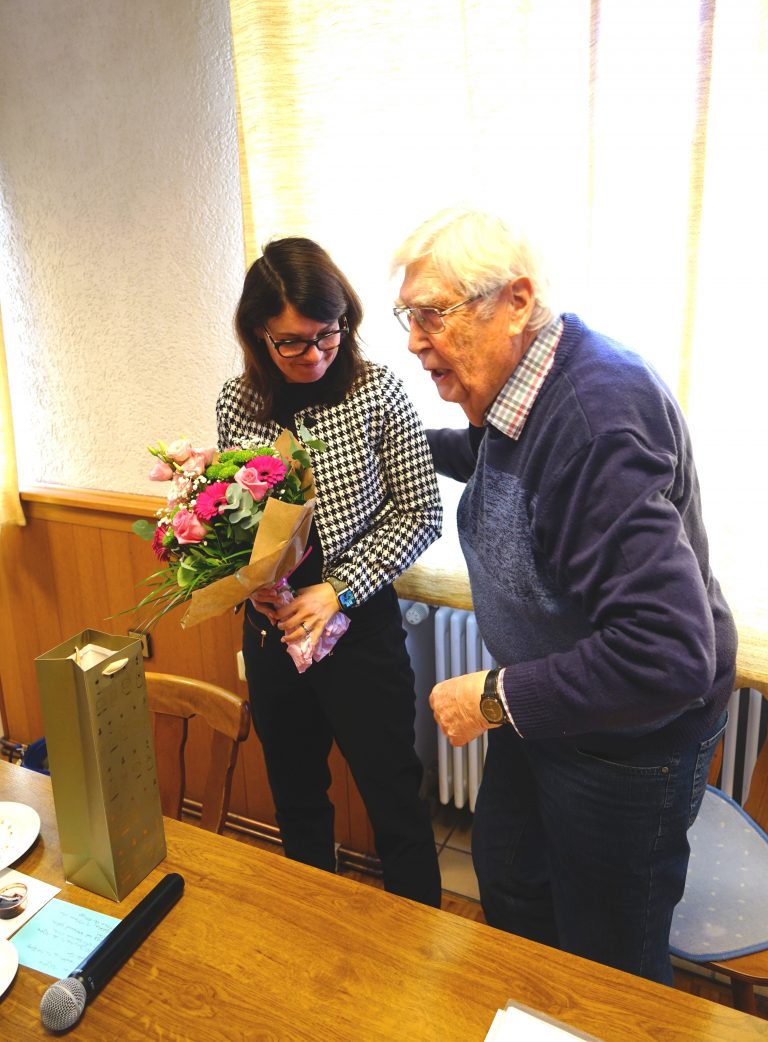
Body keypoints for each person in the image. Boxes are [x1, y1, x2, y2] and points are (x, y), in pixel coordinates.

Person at [391, 206, 737, 981]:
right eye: (407, 317)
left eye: (433, 315)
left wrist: (492, 695)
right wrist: (401, 445)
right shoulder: (526, 381)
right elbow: (495, 446)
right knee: (512, 875)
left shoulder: (593, 421)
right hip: (548, 710)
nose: (414, 341)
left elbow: (668, 654)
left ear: (515, 301)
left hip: (629, 740)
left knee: (610, 957)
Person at [216, 237, 442, 907]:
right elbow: (235, 519)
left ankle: (418, 953)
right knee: (296, 798)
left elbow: (420, 513)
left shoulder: (377, 393)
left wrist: (338, 587)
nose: (314, 355)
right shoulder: (237, 403)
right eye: (292, 343)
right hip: (272, 634)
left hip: (359, 629)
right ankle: (315, 934)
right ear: (258, 333)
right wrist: (251, 584)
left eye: (328, 335)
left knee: (393, 797)